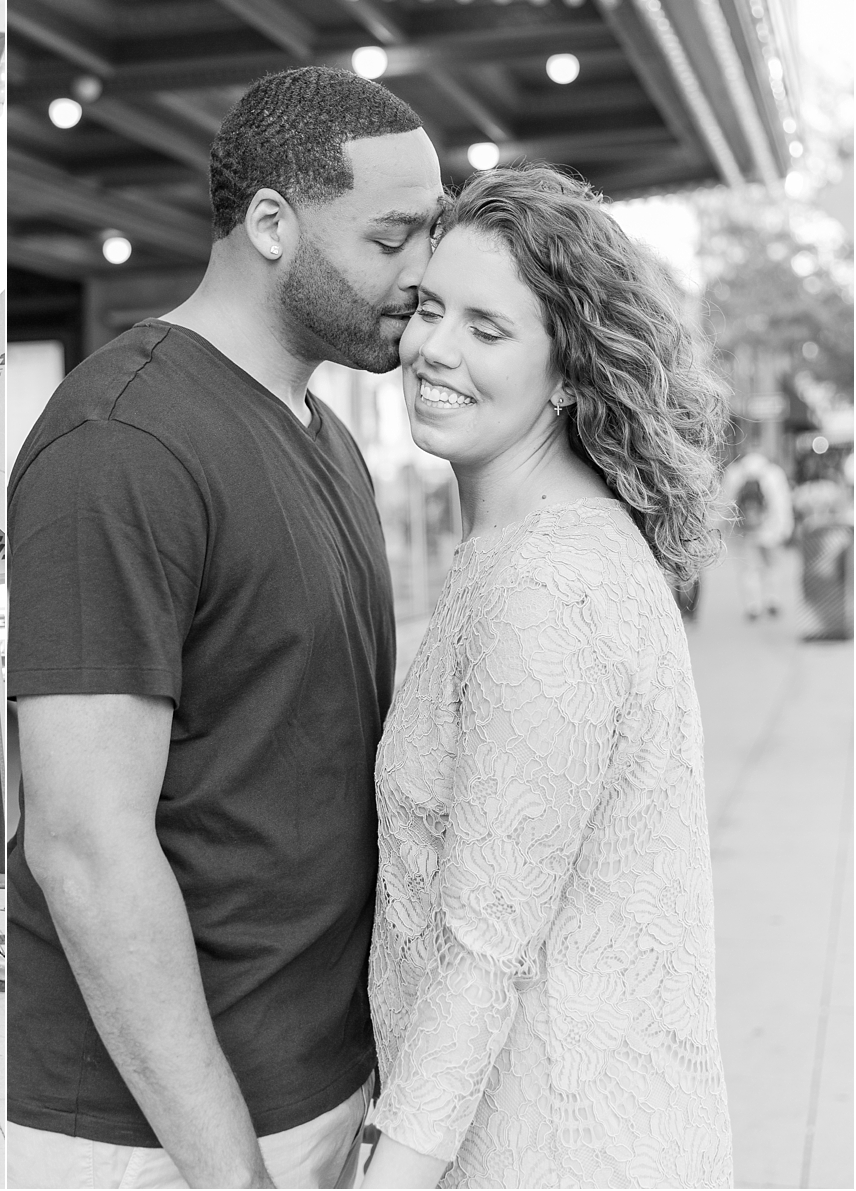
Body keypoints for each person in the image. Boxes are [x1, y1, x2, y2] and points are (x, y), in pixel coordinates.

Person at [9, 67, 443, 1189]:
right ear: (267, 223)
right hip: (157, 1131)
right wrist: (230, 1171)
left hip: (314, 1084)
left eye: (427, 235)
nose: (421, 274)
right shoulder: (121, 440)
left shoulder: (326, 435)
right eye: (391, 236)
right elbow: (84, 847)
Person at [362, 164, 732, 1187]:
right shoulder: (522, 543)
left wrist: (385, 1175)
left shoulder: (547, 584)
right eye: (429, 309)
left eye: (487, 329)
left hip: (549, 1143)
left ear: (566, 368)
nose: (432, 348)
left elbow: (481, 949)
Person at [720, 449, 794, 620]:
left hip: (745, 530)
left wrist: (722, 528)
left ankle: (752, 606)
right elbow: (782, 502)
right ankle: (772, 600)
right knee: (772, 565)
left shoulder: (735, 472)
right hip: (771, 529)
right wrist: (785, 527)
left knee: (747, 569)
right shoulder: (774, 472)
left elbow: (725, 503)